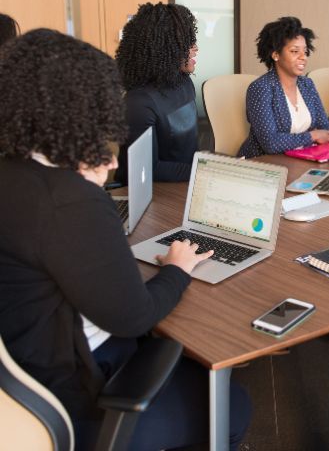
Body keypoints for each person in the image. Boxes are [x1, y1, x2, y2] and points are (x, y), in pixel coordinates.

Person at [0, 29, 250, 450]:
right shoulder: (67, 201)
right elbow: (134, 317)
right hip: (78, 393)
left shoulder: (15, 172)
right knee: (233, 406)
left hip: (23, 379)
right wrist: (176, 268)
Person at [115, 2, 199, 183]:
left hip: (183, 182)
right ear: (164, 48)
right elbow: (148, 169)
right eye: (186, 43)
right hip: (147, 192)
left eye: (193, 40)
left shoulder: (185, 83)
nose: (195, 48)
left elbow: (187, 151)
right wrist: (205, 171)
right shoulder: (139, 103)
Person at [238, 16, 329, 158]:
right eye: (295, 51)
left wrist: (310, 139)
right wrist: (312, 136)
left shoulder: (307, 84)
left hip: (302, 158)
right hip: (264, 164)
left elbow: (326, 131)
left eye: (305, 51)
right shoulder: (260, 88)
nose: (303, 57)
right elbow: (270, 143)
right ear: (276, 55)